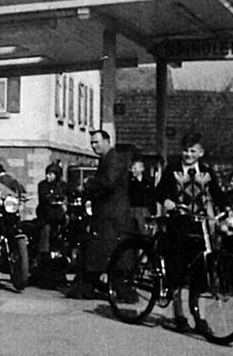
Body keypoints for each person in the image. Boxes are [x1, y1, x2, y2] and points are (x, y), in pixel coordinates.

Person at [155, 132, 220, 333]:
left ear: (201, 153)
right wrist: (166, 201)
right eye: (185, 150)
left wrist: (228, 210)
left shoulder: (207, 172)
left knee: (200, 272)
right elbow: (159, 192)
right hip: (179, 224)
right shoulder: (173, 169)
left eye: (193, 151)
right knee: (177, 270)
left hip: (200, 227)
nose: (188, 154)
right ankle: (179, 315)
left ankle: (199, 316)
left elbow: (217, 194)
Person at [67, 129, 133, 300]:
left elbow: (108, 183)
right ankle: (100, 286)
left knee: (107, 252)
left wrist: (88, 185)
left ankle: (113, 288)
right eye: (92, 143)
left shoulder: (113, 159)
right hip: (107, 214)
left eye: (96, 142)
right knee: (100, 252)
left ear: (107, 141)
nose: (94, 146)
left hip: (112, 215)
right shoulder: (108, 159)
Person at [35, 161, 68, 263]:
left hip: (60, 214)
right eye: (47, 174)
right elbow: (44, 197)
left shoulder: (62, 185)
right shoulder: (43, 185)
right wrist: (53, 198)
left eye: (50, 174)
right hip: (46, 214)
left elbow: (68, 195)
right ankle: (43, 252)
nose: (47, 176)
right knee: (46, 227)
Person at [127, 154, 157, 235]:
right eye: (132, 168)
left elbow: (153, 196)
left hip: (145, 210)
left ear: (142, 169)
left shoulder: (148, 182)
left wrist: (153, 211)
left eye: (135, 168)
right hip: (132, 209)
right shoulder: (129, 183)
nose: (133, 170)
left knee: (145, 231)